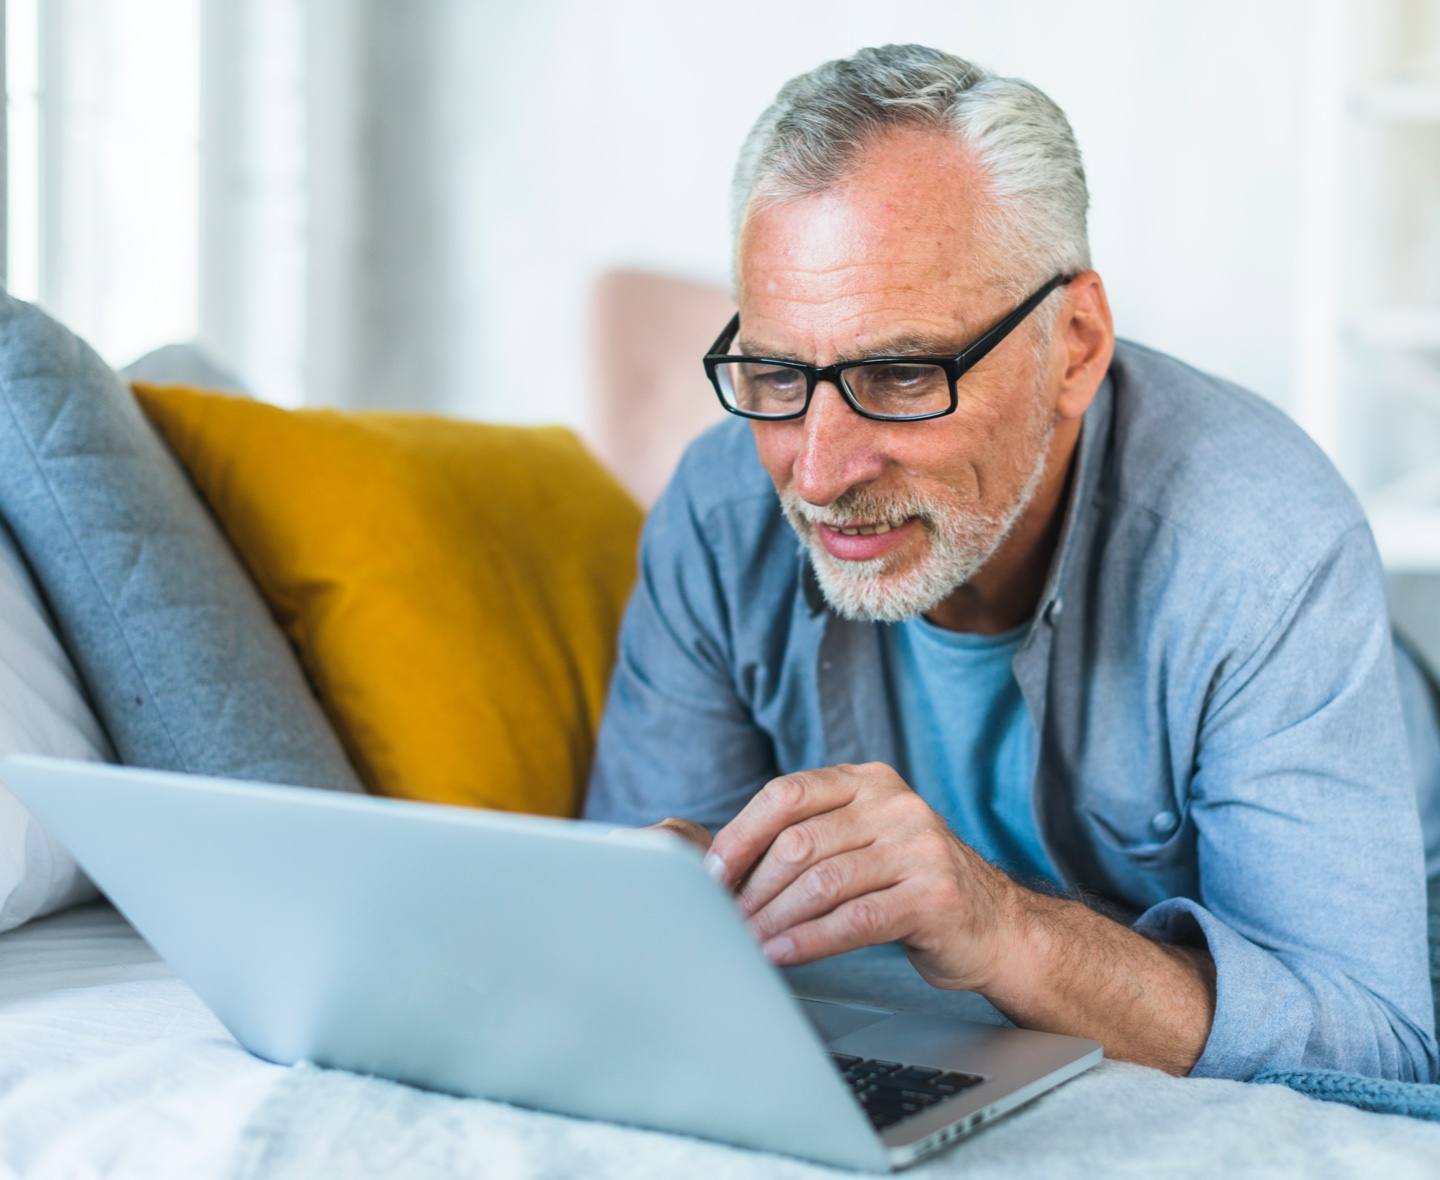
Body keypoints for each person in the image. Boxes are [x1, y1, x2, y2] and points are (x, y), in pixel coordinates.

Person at [583, 43, 1439, 1083]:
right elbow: (637, 937)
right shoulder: (719, 517)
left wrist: (1002, 927)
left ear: (1074, 345)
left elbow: (1376, 1044)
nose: (815, 472)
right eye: (776, 372)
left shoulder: (1264, 548)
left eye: (899, 374)